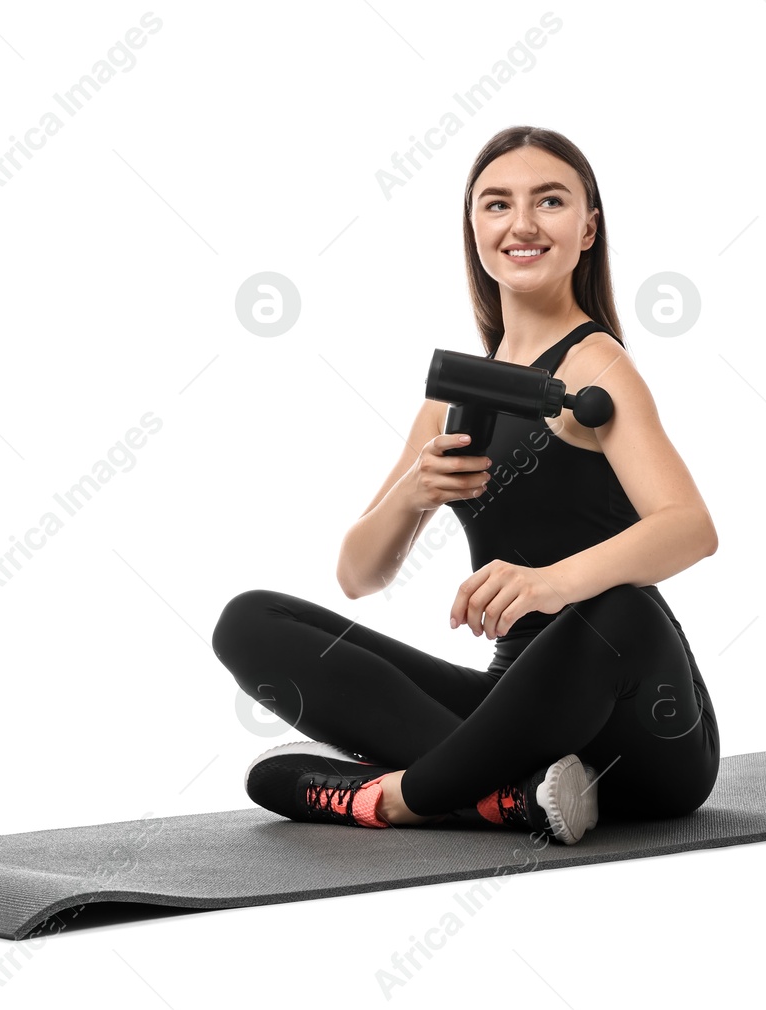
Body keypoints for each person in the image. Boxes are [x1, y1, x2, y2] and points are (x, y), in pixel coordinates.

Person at [210, 125, 720, 845]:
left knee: (621, 613)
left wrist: (552, 584)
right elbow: (358, 575)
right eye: (496, 204)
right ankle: (507, 796)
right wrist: (412, 493)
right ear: (473, 227)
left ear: (587, 227)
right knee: (249, 619)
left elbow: (690, 528)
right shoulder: (454, 397)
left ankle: (406, 798)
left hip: (639, 734)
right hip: (514, 717)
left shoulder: (596, 368)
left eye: (549, 201)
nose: (521, 224)